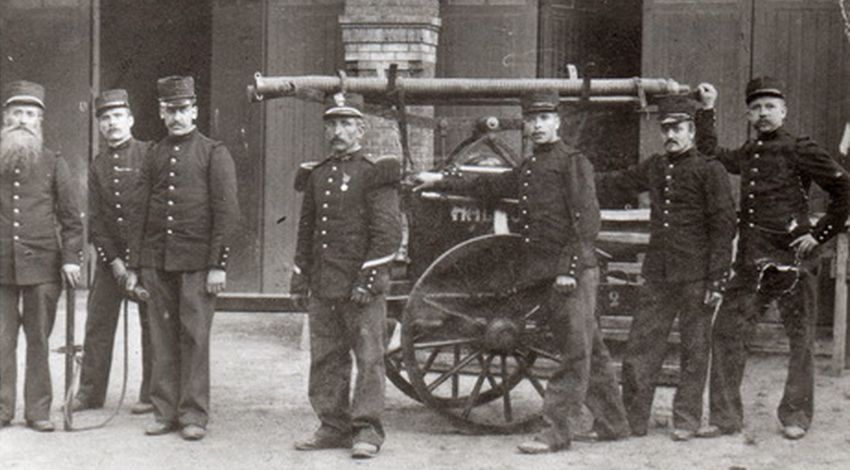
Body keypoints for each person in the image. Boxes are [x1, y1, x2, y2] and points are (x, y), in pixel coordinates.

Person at [414, 90, 630, 454]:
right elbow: (490, 186)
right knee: (588, 347)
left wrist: (568, 270)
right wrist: (440, 181)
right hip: (543, 272)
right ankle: (614, 423)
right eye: (531, 120)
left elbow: (587, 221)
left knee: (574, 353)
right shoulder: (530, 167)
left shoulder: (573, 162)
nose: (537, 126)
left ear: (557, 122)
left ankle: (555, 432)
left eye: (544, 119)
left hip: (570, 273)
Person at [697, 78, 850, 440]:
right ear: (748, 115)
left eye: (770, 107)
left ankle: (796, 415)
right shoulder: (750, 152)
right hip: (752, 260)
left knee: (800, 338)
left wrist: (819, 234)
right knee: (727, 332)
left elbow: (845, 187)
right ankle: (726, 418)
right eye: (756, 108)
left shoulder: (800, 148)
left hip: (792, 259)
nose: (763, 114)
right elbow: (710, 151)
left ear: (784, 112)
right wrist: (707, 109)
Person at [595, 94, 736, 441]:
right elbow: (617, 182)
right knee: (640, 348)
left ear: (691, 131)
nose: (670, 135)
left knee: (694, 350)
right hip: (658, 274)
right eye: (666, 129)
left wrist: (717, 280)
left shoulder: (711, 170)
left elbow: (724, 228)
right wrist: (579, 176)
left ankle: (686, 420)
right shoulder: (656, 167)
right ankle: (633, 419)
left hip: (697, 276)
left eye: (678, 128)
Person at [125, 76, 239, 441]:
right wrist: (134, 265)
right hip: (157, 262)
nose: (176, 117)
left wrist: (218, 264)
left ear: (195, 111)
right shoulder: (154, 154)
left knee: (194, 338)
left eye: (182, 110)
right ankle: (165, 413)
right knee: (161, 338)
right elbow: (139, 210)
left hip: (197, 264)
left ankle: (193, 414)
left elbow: (226, 212)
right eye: (169, 110)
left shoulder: (214, 153)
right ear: (161, 113)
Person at [290, 92, 402, 459]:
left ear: (361, 130)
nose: (337, 131)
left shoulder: (375, 173)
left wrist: (368, 281)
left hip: (360, 287)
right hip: (325, 284)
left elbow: (387, 234)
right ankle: (332, 426)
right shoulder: (318, 174)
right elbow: (307, 231)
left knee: (369, 359)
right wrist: (300, 277)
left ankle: (367, 430)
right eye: (332, 124)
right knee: (325, 358)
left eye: (345, 124)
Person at [0, 80, 84, 432]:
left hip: (43, 266)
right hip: (0, 266)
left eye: (30, 114)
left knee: (38, 339)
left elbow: (71, 219)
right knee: (1, 340)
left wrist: (71, 258)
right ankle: (2, 409)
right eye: (17, 112)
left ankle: (38, 411)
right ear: (5, 117)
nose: (23, 120)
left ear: (40, 121)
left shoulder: (53, 162)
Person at [70, 89, 154, 415]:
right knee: (98, 325)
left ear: (130, 120)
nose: (111, 123)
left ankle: (152, 394)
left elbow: (154, 212)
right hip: (112, 262)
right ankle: (90, 393)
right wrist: (116, 262)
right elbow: (96, 220)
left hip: (146, 259)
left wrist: (136, 263)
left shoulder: (149, 154)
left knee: (153, 327)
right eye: (105, 118)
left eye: (118, 116)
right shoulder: (98, 166)